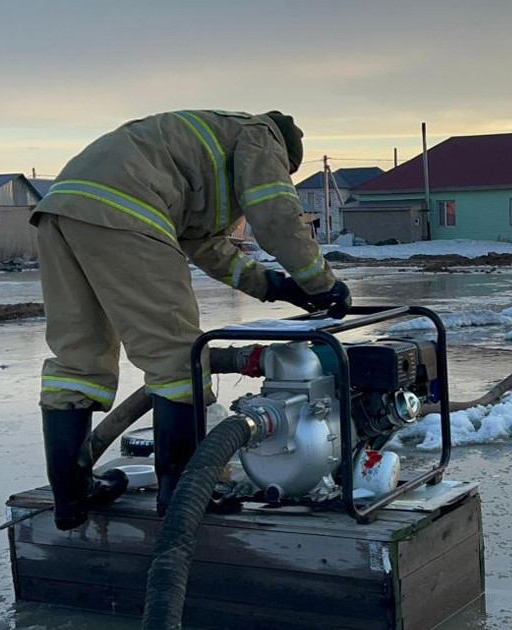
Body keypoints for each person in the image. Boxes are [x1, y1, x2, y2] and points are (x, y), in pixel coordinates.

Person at [31, 110, 351, 530]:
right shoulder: (264, 135)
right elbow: (275, 214)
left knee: (78, 359)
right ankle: (183, 494)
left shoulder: (199, 154)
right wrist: (321, 283)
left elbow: (207, 246)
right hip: (128, 209)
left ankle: (71, 495)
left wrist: (275, 286)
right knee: (179, 360)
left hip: (61, 209)